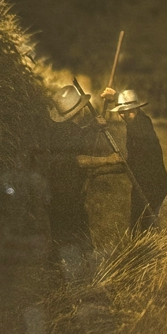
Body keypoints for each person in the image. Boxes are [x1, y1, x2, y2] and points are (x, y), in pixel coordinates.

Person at [46, 84, 121, 280]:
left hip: (59, 194)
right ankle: (77, 278)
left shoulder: (62, 129)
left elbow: (77, 137)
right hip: (66, 195)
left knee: (65, 237)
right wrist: (108, 160)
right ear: (79, 111)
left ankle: (66, 275)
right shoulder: (67, 132)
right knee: (75, 237)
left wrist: (93, 127)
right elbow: (78, 160)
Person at [101, 87, 167, 234]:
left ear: (137, 108)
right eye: (122, 111)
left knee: (142, 226)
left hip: (153, 184)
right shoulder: (141, 119)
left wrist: (105, 167)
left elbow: (133, 162)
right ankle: (144, 243)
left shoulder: (140, 127)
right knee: (139, 223)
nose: (126, 114)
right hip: (145, 181)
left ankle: (148, 246)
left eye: (130, 110)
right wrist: (117, 96)